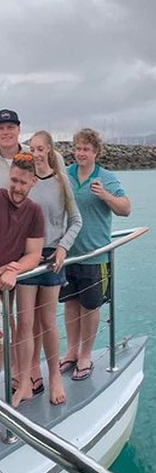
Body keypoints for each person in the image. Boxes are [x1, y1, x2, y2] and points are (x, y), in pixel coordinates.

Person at [12, 131, 82, 406]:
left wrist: (64, 247)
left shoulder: (61, 182)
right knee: (25, 323)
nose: (37, 153)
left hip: (53, 256)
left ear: (50, 150)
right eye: (33, 148)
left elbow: (76, 220)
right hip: (27, 256)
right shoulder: (26, 182)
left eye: (42, 149)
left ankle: (54, 376)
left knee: (48, 321)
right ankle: (27, 379)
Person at [58, 128, 130, 381]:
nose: (80, 153)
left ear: (96, 152)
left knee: (90, 307)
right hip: (67, 255)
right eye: (77, 148)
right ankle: (71, 352)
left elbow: (126, 209)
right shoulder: (65, 174)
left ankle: (86, 355)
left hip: (95, 255)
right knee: (70, 305)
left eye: (86, 149)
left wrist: (105, 195)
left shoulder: (106, 178)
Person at [0, 154, 45, 394]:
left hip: (9, 279)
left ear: (33, 182)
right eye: (14, 180)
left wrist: (13, 269)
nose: (17, 188)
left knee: (17, 326)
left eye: (23, 183)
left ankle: (21, 379)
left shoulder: (35, 212)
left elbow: (34, 254)